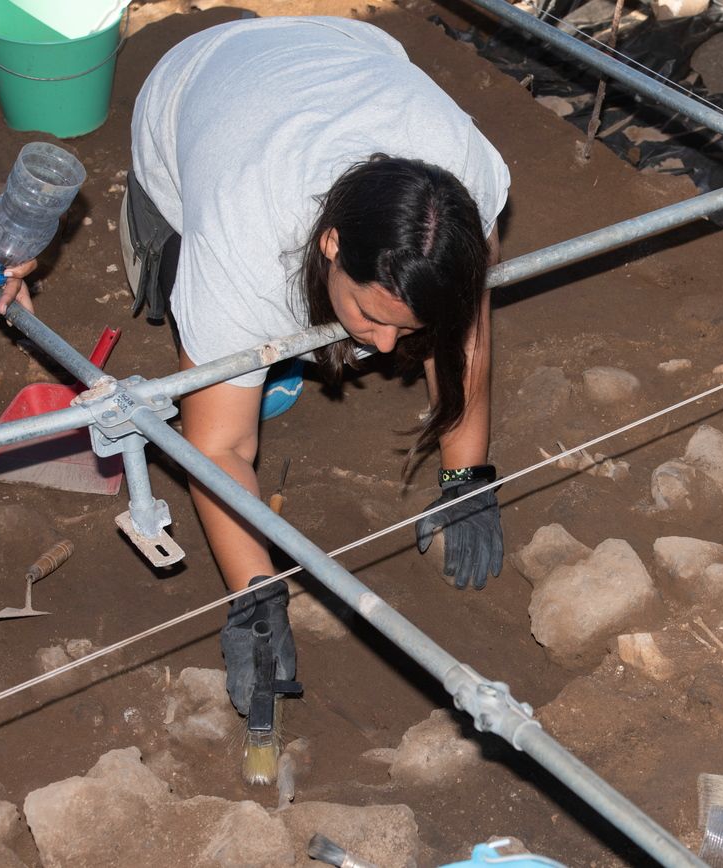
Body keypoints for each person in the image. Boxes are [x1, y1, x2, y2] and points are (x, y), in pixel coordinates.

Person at [121, 16, 511, 715]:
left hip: (340, 52)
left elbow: (466, 330)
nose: (387, 352)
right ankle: (258, 346)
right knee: (205, 332)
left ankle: (304, 345)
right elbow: (221, 445)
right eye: (373, 318)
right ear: (331, 243)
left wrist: (467, 473)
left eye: (407, 327)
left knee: (365, 329)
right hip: (193, 91)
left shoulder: (466, 185)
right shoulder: (243, 241)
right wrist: (255, 598)